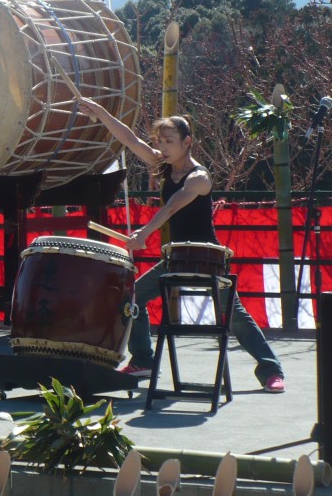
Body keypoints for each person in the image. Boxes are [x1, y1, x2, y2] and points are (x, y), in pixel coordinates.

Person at [77, 98, 286, 393]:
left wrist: (145, 232)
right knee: (131, 299)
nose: (162, 147)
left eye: (169, 141)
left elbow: (173, 206)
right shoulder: (164, 167)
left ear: (187, 142)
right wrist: (98, 111)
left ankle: (271, 371)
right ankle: (144, 360)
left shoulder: (199, 177)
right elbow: (129, 138)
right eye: (160, 141)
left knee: (236, 317)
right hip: (176, 256)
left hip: (208, 257)